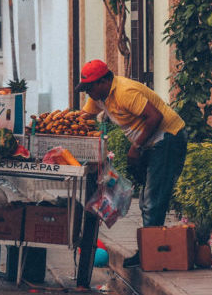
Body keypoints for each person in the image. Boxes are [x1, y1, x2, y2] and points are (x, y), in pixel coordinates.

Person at [76, 59, 187, 269]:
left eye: (90, 88)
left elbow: (155, 117)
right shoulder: (100, 97)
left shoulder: (124, 91)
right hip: (150, 143)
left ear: (103, 81)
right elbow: (84, 116)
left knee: (153, 198)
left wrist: (136, 146)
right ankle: (150, 250)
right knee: (147, 197)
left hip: (167, 139)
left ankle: (150, 254)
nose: (88, 93)